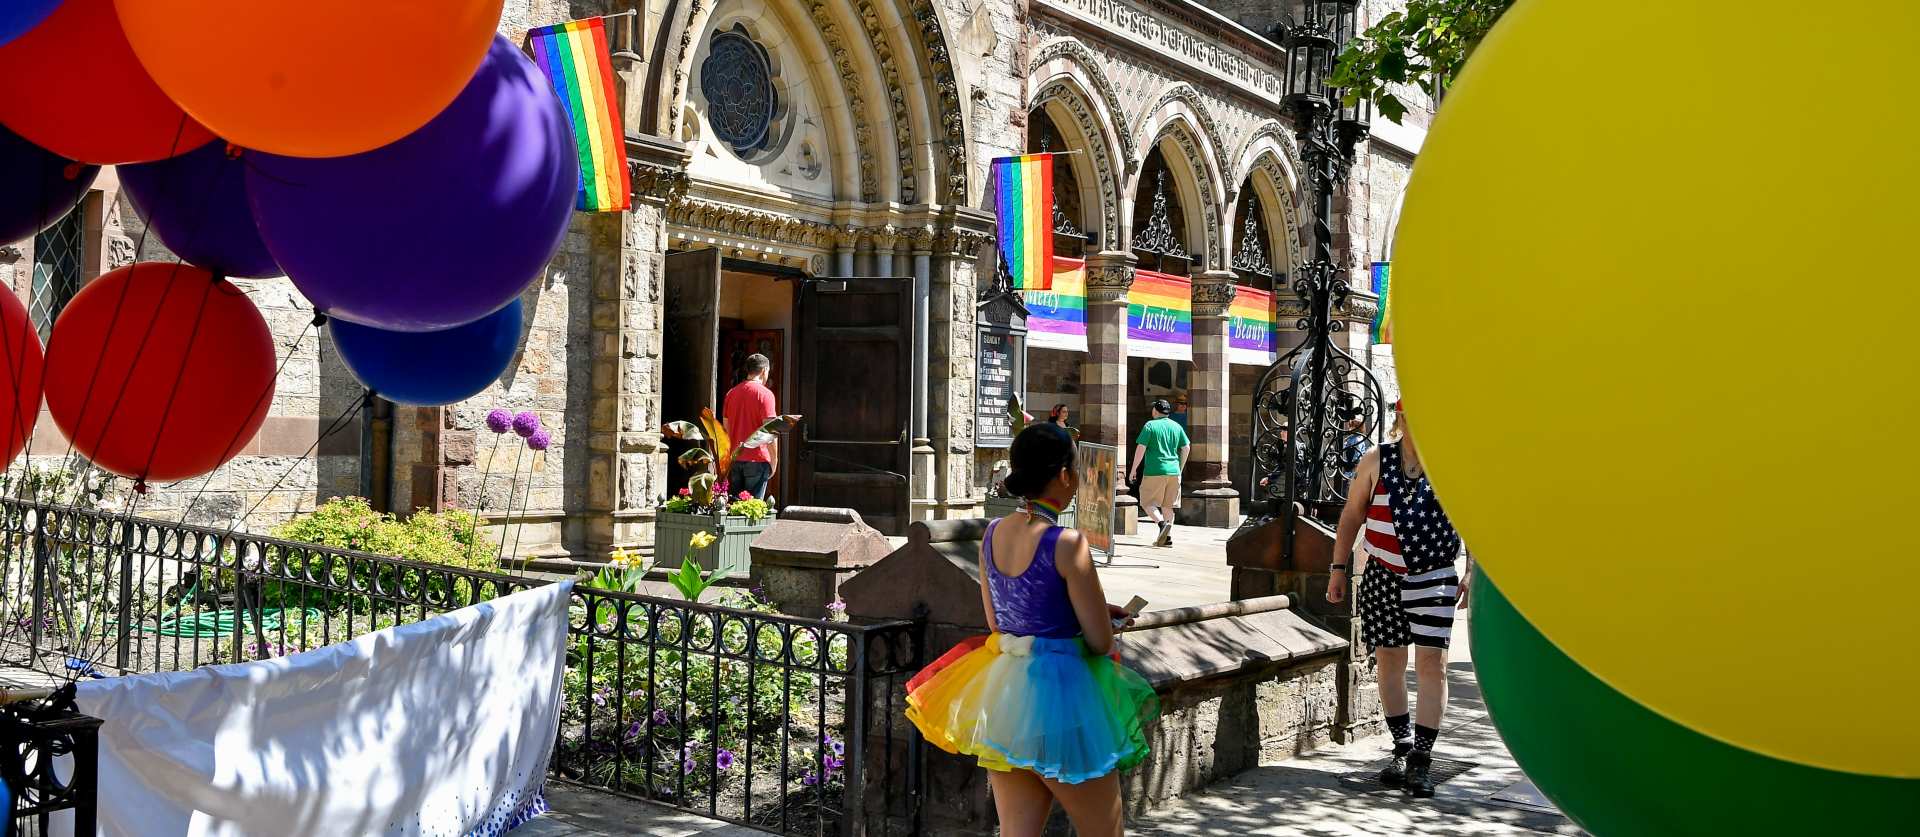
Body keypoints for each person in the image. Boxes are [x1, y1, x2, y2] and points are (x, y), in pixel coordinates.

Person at [906, 423, 1157, 837]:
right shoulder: (1067, 542)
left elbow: (997, 622)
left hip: (1007, 700)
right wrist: (1105, 620)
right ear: (1063, 475)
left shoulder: (991, 534)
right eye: (1074, 469)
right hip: (1065, 700)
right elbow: (1099, 641)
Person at [1326, 400, 1464, 798]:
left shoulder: (1451, 462)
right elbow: (1352, 514)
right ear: (1401, 418)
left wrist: (1471, 571)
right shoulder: (1376, 460)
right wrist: (1338, 569)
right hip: (1382, 574)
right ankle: (1401, 748)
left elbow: (1474, 519)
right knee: (1388, 660)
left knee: (1432, 665)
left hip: (1434, 576)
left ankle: (1422, 759)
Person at [1129, 399, 1189, 548]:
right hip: (1174, 471)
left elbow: (1140, 449)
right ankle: (1167, 538)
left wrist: (1133, 469)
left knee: (1147, 502)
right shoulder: (1176, 426)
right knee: (1168, 506)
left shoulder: (1150, 425)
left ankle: (1161, 524)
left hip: (1155, 470)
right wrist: (1180, 468)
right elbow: (1186, 447)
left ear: (1155, 411)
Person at [722, 353, 778, 499]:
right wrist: (774, 460)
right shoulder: (766, 395)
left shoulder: (731, 394)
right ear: (764, 370)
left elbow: (725, 431)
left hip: (735, 458)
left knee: (735, 511)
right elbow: (770, 432)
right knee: (752, 511)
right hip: (757, 459)